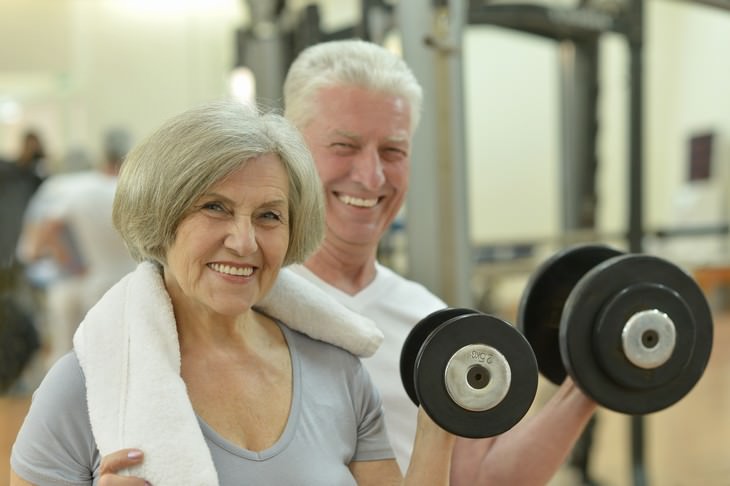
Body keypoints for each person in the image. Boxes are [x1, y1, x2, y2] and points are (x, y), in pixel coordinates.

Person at [10, 100, 455, 485]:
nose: (245, 242)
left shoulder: (338, 370)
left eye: (268, 216)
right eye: (215, 207)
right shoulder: (83, 387)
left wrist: (442, 422)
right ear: (162, 219)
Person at [282, 39, 598, 484]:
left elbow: (479, 480)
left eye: (393, 151)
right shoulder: (249, 304)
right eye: (344, 145)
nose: (371, 176)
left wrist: (594, 378)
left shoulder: (430, 321)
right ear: (291, 147)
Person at [17, 128, 137, 369]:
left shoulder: (60, 188)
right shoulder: (101, 187)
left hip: (76, 279)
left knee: (66, 352)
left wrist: (68, 262)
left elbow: (38, 237)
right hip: (105, 278)